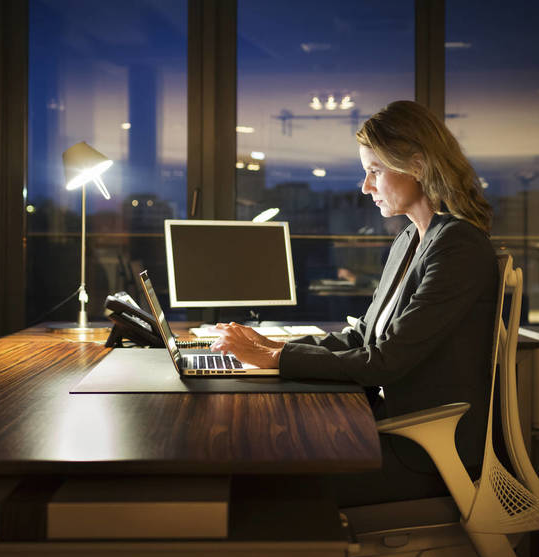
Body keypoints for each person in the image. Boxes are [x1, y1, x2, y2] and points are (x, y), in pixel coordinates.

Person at [210, 100, 498, 505]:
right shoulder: (411, 239)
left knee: (264, 479)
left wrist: (276, 359)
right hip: (394, 428)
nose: (366, 186)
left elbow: (385, 361)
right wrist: (271, 346)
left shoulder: (458, 246)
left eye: (375, 171)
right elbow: (362, 337)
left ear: (417, 166)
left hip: (426, 451)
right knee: (262, 454)